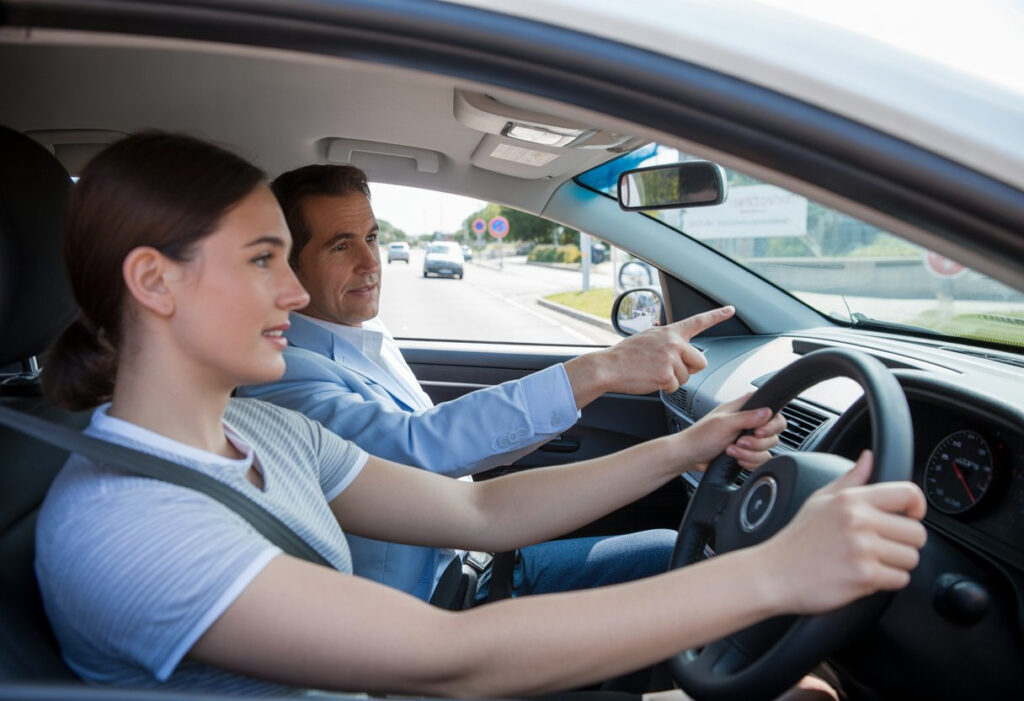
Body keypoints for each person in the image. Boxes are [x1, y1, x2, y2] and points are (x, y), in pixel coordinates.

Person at [36, 132, 927, 699]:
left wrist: (684, 448)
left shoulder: (263, 429)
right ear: (154, 281)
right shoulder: (128, 521)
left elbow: (478, 512)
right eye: (267, 259)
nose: (298, 288)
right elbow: (447, 658)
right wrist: (775, 574)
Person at [237, 164, 780, 603]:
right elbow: (420, 448)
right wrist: (604, 369)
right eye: (340, 245)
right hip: (423, 609)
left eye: (373, 237)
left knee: (670, 554)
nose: (371, 261)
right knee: (692, 577)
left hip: (466, 564)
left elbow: (464, 456)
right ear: (286, 264)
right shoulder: (283, 379)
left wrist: (680, 443)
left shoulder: (359, 334)